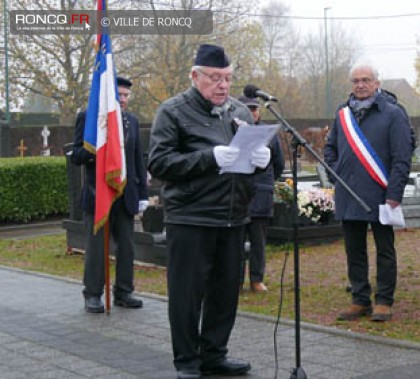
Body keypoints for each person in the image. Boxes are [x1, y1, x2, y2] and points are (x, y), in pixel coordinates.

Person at [148, 44, 268, 379]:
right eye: (215, 78)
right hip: (191, 217)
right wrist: (209, 157)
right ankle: (186, 360)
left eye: (228, 78)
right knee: (187, 294)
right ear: (195, 76)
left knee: (225, 292)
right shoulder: (172, 111)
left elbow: (245, 159)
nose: (223, 85)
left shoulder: (239, 113)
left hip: (233, 216)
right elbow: (158, 162)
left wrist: (261, 162)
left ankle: (214, 354)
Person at [325, 62, 413, 322]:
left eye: (366, 80)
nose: (360, 85)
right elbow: (330, 149)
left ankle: (384, 300)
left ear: (377, 83)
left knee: (385, 249)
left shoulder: (393, 114)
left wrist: (394, 194)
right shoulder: (343, 115)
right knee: (354, 250)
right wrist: (336, 174)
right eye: (355, 81)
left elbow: (401, 158)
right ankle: (359, 298)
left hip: (382, 193)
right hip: (349, 193)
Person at [71, 76, 148, 314]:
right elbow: (76, 155)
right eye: (120, 95)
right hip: (98, 194)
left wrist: (142, 194)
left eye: (126, 96)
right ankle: (93, 294)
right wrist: (98, 151)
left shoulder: (131, 121)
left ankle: (124, 291)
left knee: (127, 246)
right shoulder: (88, 118)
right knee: (96, 248)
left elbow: (137, 159)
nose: (123, 100)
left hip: (126, 194)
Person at [237, 95, 285, 293]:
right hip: (238, 195)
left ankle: (257, 279)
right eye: (248, 109)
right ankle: (235, 281)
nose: (252, 113)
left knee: (258, 242)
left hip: (260, 195)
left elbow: (279, 165)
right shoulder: (234, 130)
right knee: (236, 243)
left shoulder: (269, 134)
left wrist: (266, 181)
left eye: (255, 109)